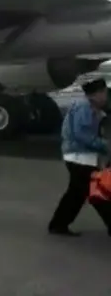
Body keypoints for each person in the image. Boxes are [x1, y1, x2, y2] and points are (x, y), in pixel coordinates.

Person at [48, 78, 111, 237]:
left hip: (79, 157)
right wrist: (103, 145)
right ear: (96, 94)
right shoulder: (85, 107)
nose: (105, 96)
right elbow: (81, 134)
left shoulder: (89, 107)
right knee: (97, 193)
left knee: (76, 194)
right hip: (80, 157)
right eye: (103, 92)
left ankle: (58, 224)